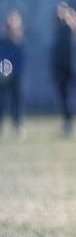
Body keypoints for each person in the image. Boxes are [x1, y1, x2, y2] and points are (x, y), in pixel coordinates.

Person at [51, 2, 76, 137]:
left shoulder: (67, 29)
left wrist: (63, 69)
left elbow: (67, 53)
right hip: (63, 69)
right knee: (65, 97)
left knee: (66, 98)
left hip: (64, 70)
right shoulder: (61, 30)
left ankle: (69, 122)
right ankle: (67, 122)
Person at [0, 10, 25, 140]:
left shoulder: (18, 43)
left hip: (15, 78)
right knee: (1, 103)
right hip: (2, 79)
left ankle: (17, 126)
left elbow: (20, 61)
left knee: (17, 103)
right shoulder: (2, 42)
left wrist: (16, 74)